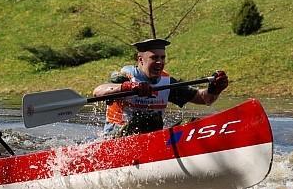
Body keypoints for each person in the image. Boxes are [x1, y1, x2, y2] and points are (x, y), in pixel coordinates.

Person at [92, 38, 229, 137]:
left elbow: (205, 99)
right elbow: (98, 92)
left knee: (191, 122)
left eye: (163, 58)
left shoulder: (166, 82)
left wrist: (215, 89)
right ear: (141, 60)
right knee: (148, 119)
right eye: (154, 58)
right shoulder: (125, 76)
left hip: (150, 138)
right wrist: (127, 87)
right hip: (115, 141)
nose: (160, 62)